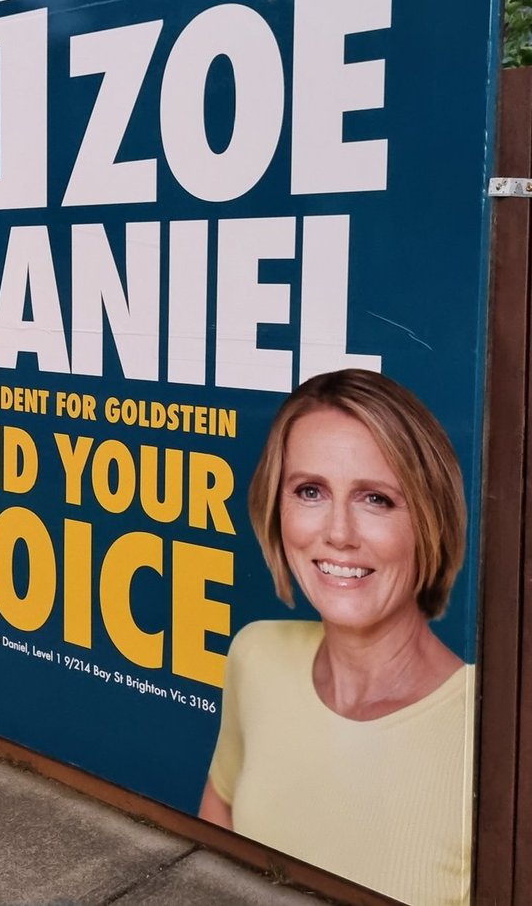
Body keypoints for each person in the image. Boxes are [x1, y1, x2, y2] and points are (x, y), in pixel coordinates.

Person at [199, 369, 473, 906]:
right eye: (310, 491)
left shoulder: (493, 733)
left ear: (431, 521)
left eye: (376, 499)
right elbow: (217, 834)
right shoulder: (256, 654)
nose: (339, 533)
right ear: (276, 511)